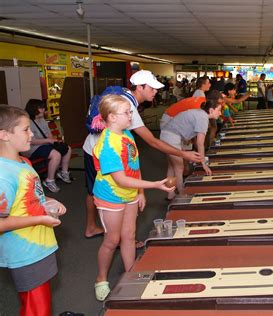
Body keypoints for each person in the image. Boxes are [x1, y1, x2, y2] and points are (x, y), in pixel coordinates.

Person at [83, 70, 201, 239]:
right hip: (102, 150)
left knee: (94, 189)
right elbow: (152, 141)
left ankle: (96, 228)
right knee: (108, 190)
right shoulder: (127, 105)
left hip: (97, 147)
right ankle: (116, 235)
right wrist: (183, 154)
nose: (155, 92)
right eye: (152, 88)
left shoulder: (125, 96)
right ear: (140, 87)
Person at [93, 95, 175, 301]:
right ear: (111, 117)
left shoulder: (127, 134)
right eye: (126, 113)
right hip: (110, 196)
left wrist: (141, 192)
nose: (131, 116)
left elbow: (134, 165)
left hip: (130, 193)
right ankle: (101, 279)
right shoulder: (107, 144)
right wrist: (155, 185)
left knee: (129, 236)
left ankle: (130, 273)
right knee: (112, 240)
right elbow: (121, 180)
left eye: (131, 111)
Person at [0, 105, 67, 316]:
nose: (31, 134)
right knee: (37, 308)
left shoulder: (23, 161)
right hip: (24, 252)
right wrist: (40, 219)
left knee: (41, 304)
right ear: (4, 135)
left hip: (38, 248)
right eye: (26, 130)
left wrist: (49, 200)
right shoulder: (3, 174)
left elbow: (31, 195)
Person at [160, 99, 222, 200]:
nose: (220, 113)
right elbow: (200, 143)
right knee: (179, 168)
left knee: (172, 167)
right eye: (219, 110)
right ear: (211, 110)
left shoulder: (200, 113)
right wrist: (203, 164)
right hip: (171, 137)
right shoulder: (203, 118)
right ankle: (182, 194)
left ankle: (170, 194)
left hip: (167, 134)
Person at [23, 99, 73, 193]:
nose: (43, 110)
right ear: (33, 109)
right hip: (32, 148)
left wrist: (54, 141)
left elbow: (49, 134)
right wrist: (48, 140)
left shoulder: (42, 120)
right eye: (40, 108)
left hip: (45, 144)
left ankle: (64, 172)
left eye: (43, 108)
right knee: (56, 154)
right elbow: (31, 141)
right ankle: (49, 180)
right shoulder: (28, 122)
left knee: (67, 148)